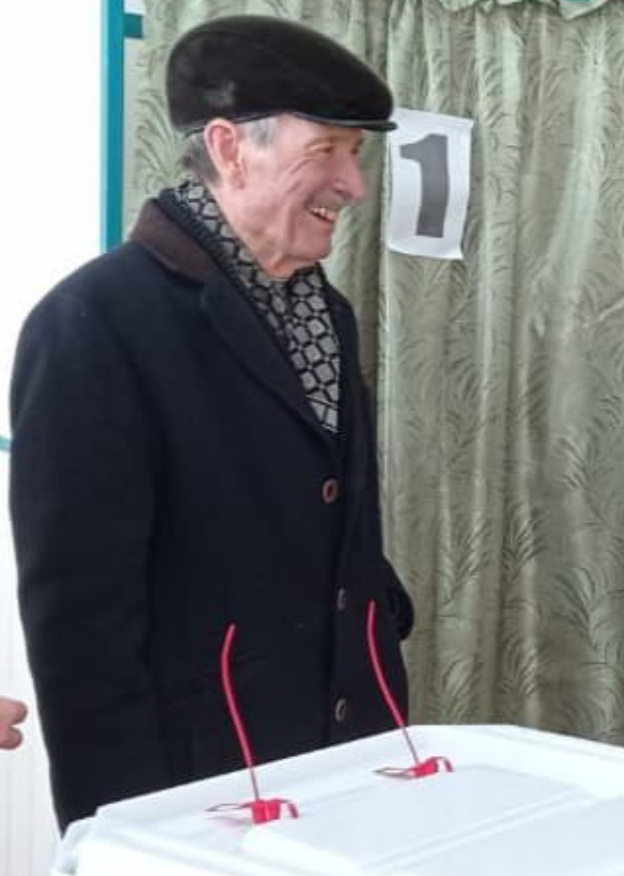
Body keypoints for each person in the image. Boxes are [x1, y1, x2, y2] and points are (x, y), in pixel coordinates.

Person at [11, 16, 413, 827]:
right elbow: (82, 631)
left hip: (350, 755)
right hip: (205, 783)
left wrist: (380, 625)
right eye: (326, 151)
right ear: (230, 148)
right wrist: (121, 835)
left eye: (355, 155)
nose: (353, 185)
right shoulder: (95, 323)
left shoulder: (326, 314)